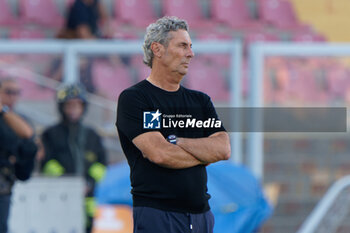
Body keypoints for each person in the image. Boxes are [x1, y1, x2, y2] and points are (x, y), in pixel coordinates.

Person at [116, 16, 231, 233]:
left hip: (201, 216)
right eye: (182, 45)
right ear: (157, 50)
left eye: (190, 46)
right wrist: (203, 154)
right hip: (157, 215)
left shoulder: (201, 101)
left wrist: (177, 141)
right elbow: (160, 154)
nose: (191, 53)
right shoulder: (135, 98)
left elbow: (223, 149)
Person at [40, 83, 107, 233]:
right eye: (69, 105)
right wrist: (68, 184)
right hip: (59, 198)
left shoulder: (92, 135)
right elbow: (47, 163)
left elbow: (101, 164)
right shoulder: (50, 134)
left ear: (83, 108)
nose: (73, 110)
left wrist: (89, 182)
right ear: (62, 107)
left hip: (87, 200)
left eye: (77, 105)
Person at [0, 85, 37, 233]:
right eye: (8, 91)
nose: (12, 96)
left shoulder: (12, 118)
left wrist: (3, 110)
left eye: (16, 92)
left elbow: (28, 133)